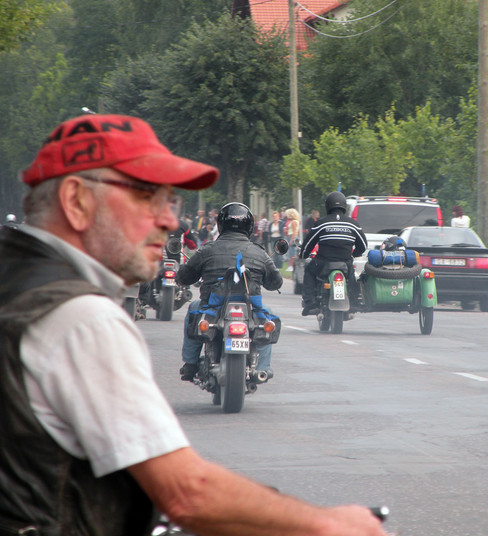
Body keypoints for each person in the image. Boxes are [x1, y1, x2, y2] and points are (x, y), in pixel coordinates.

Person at [0, 113, 387, 536]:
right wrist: (327, 523)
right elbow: (188, 494)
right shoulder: (79, 318)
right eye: (148, 197)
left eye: (172, 201)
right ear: (77, 201)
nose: (169, 220)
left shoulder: (17, 280)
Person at [177, 202, 282, 380]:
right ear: (249, 226)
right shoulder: (259, 253)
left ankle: (191, 363)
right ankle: (262, 368)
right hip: (250, 310)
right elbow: (276, 282)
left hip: (212, 309)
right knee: (267, 316)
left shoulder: (207, 250)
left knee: (194, 308)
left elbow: (184, 278)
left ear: (220, 224)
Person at [299, 191, 368, 316]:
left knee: (309, 269)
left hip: (323, 262)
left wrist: (303, 254)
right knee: (352, 278)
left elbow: (308, 243)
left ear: (327, 206)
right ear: (344, 206)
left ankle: (310, 302)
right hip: (345, 262)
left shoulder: (321, 223)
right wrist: (354, 253)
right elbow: (363, 245)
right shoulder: (353, 224)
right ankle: (352, 302)